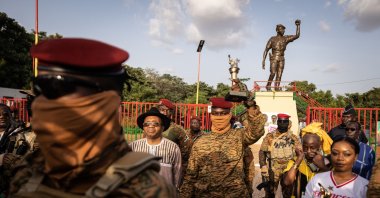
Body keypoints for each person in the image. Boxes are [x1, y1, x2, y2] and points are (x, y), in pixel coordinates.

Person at [9, 38, 176, 197]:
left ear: (106, 101)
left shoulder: (145, 190)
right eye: (40, 88)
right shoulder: (28, 168)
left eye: (56, 88)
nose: (42, 102)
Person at [180, 97, 266, 197]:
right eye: (215, 113)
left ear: (229, 115)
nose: (219, 117)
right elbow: (190, 176)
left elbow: (256, 132)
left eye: (223, 113)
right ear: (211, 115)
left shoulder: (239, 137)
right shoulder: (200, 142)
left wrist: (251, 107)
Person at [129, 107, 182, 189]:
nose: (151, 126)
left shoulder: (173, 148)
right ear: (143, 127)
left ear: (162, 127)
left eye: (155, 124)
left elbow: (177, 174)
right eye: (147, 124)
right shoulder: (133, 147)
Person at [282, 122, 332, 197]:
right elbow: (287, 182)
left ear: (319, 147)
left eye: (312, 148)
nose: (308, 151)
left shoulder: (327, 162)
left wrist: (322, 167)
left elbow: (334, 186)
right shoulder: (296, 160)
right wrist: (298, 161)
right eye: (305, 147)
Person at [258, 113, 301, 197]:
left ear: (288, 123)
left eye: (285, 122)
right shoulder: (270, 136)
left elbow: (299, 153)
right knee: (270, 193)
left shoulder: (293, 138)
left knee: (288, 193)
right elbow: (262, 151)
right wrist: (263, 166)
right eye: (280, 121)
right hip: (273, 168)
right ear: (277, 122)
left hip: (288, 168)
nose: (282, 124)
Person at [262, 20, 301, 91]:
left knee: (279, 74)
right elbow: (266, 50)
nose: (283, 31)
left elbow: (297, 36)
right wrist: (263, 60)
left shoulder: (285, 38)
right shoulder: (272, 39)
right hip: (274, 58)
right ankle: (268, 85)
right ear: (277, 30)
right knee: (273, 73)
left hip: (282, 58)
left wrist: (298, 26)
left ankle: (277, 87)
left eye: (284, 29)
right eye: (282, 29)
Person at [177, 116, 205, 180]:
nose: (194, 125)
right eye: (193, 123)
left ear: (200, 125)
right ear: (190, 124)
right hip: (184, 162)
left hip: (197, 163)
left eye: (196, 123)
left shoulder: (204, 136)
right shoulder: (184, 134)